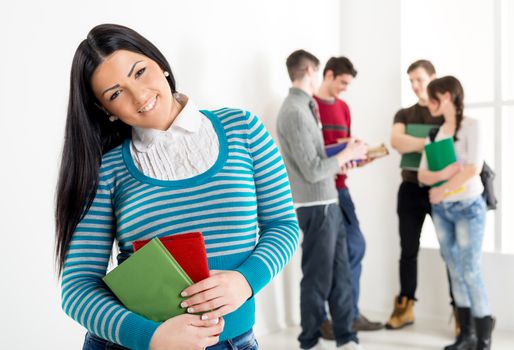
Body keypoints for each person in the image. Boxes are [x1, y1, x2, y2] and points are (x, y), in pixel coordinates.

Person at [55, 23, 299, 350]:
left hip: (233, 342)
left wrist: (246, 280)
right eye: (115, 93)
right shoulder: (107, 169)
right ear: (104, 109)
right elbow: (77, 287)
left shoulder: (243, 129)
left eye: (140, 72)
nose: (139, 95)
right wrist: (150, 336)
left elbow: (283, 225)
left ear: (161, 65)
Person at [276, 49, 367, 350]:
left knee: (341, 272)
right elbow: (313, 170)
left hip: (330, 201)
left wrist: (344, 155)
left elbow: (317, 157)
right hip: (316, 206)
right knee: (317, 278)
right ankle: (309, 340)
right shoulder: (294, 111)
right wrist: (346, 154)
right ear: (312, 71)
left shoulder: (306, 107)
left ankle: (346, 337)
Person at [418, 76, 494, 350]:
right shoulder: (436, 132)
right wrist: (442, 176)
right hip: (443, 211)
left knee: (471, 270)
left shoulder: (473, 125)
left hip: (468, 207)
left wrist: (442, 189)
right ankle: (466, 336)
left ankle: (483, 338)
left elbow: (473, 168)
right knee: (454, 270)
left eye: (432, 98)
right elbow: (423, 173)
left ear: (446, 95)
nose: (429, 104)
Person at [314, 56, 383, 333]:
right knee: (323, 255)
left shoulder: (343, 107)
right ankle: (321, 320)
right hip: (318, 191)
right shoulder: (310, 105)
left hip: (341, 188)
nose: (344, 88)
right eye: (342, 82)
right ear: (328, 75)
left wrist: (359, 155)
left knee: (355, 246)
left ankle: (350, 313)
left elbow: (345, 147)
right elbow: (308, 151)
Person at [388, 60, 451, 330]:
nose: (415, 86)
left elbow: (454, 143)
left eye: (420, 80)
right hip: (410, 190)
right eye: (411, 80)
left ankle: (461, 312)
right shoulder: (405, 113)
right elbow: (396, 142)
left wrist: (415, 144)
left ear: (433, 78)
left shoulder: (446, 113)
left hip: (442, 189)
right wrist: (430, 141)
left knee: (451, 252)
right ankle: (405, 306)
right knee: (408, 251)